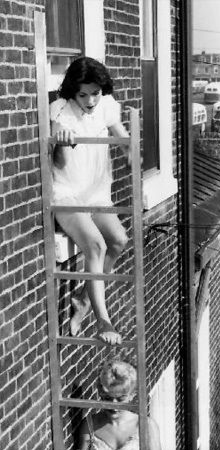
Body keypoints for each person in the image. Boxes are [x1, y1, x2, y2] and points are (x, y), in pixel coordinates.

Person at [50, 57, 131, 345]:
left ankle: (83, 299)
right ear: (73, 92)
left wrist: (130, 151)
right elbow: (59, 165)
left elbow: (121, 134)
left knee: (119, 239)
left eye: (95, 93)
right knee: (96, 244)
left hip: (96, 193)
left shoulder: (106, 105)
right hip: (67, 193)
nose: (90, 100)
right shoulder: (60, 112)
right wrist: (61, 141)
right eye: (83, 94)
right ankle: (103, 320)